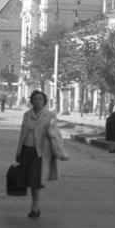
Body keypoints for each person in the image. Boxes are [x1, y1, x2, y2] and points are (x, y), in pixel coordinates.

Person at [15, 89, 67, 218]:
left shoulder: (50, 116)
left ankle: (35, 207)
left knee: (36, 180)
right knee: (28, 180)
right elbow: (23, 133)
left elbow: (55, 134)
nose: (38, 101)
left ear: (44, 101)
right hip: (27, 148)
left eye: (40, 99)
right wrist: (19, 150)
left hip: (41, 151)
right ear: (31, 101)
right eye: (35, 99)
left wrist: (59, 151)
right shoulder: (27, 114)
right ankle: (34, 205)